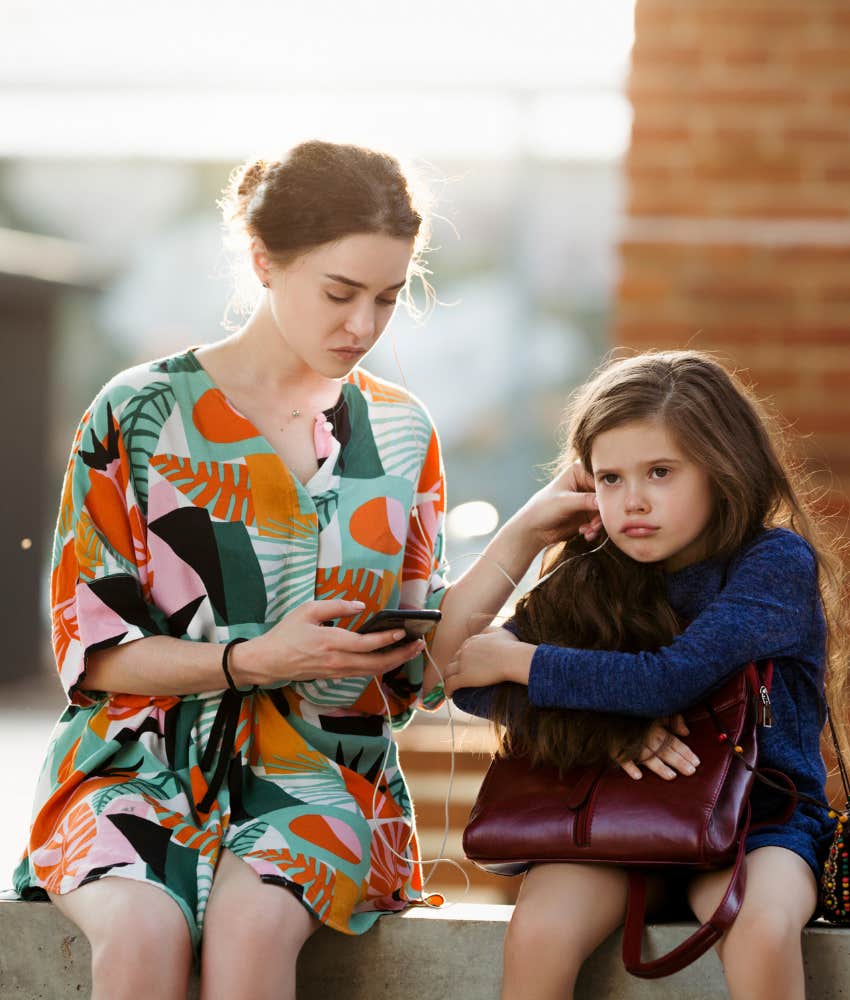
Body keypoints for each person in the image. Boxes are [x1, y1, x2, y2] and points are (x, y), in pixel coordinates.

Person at [13, 140, 598, 1000]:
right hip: (133, 764)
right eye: (340, 293)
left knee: (254, 941)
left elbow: (416, 666)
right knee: (139, 939)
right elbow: (91, 652)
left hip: (324, 771)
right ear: (262, 261)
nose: (362, 325)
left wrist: (521, 536)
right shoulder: (137, 412)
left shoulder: (402, 435)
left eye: (388, 299)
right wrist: (251, 660)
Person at [445, 350, 847, 1000]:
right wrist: (609, 736)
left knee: (759, 924)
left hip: (760, 821)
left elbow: (668, 680)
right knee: (540, 929)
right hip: (616, 816)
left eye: (660, 472)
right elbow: (470, 682)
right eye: (609, 479)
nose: (633, 501)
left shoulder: (773, 562)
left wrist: (522, 659)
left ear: (721, 468)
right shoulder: (591, 569)